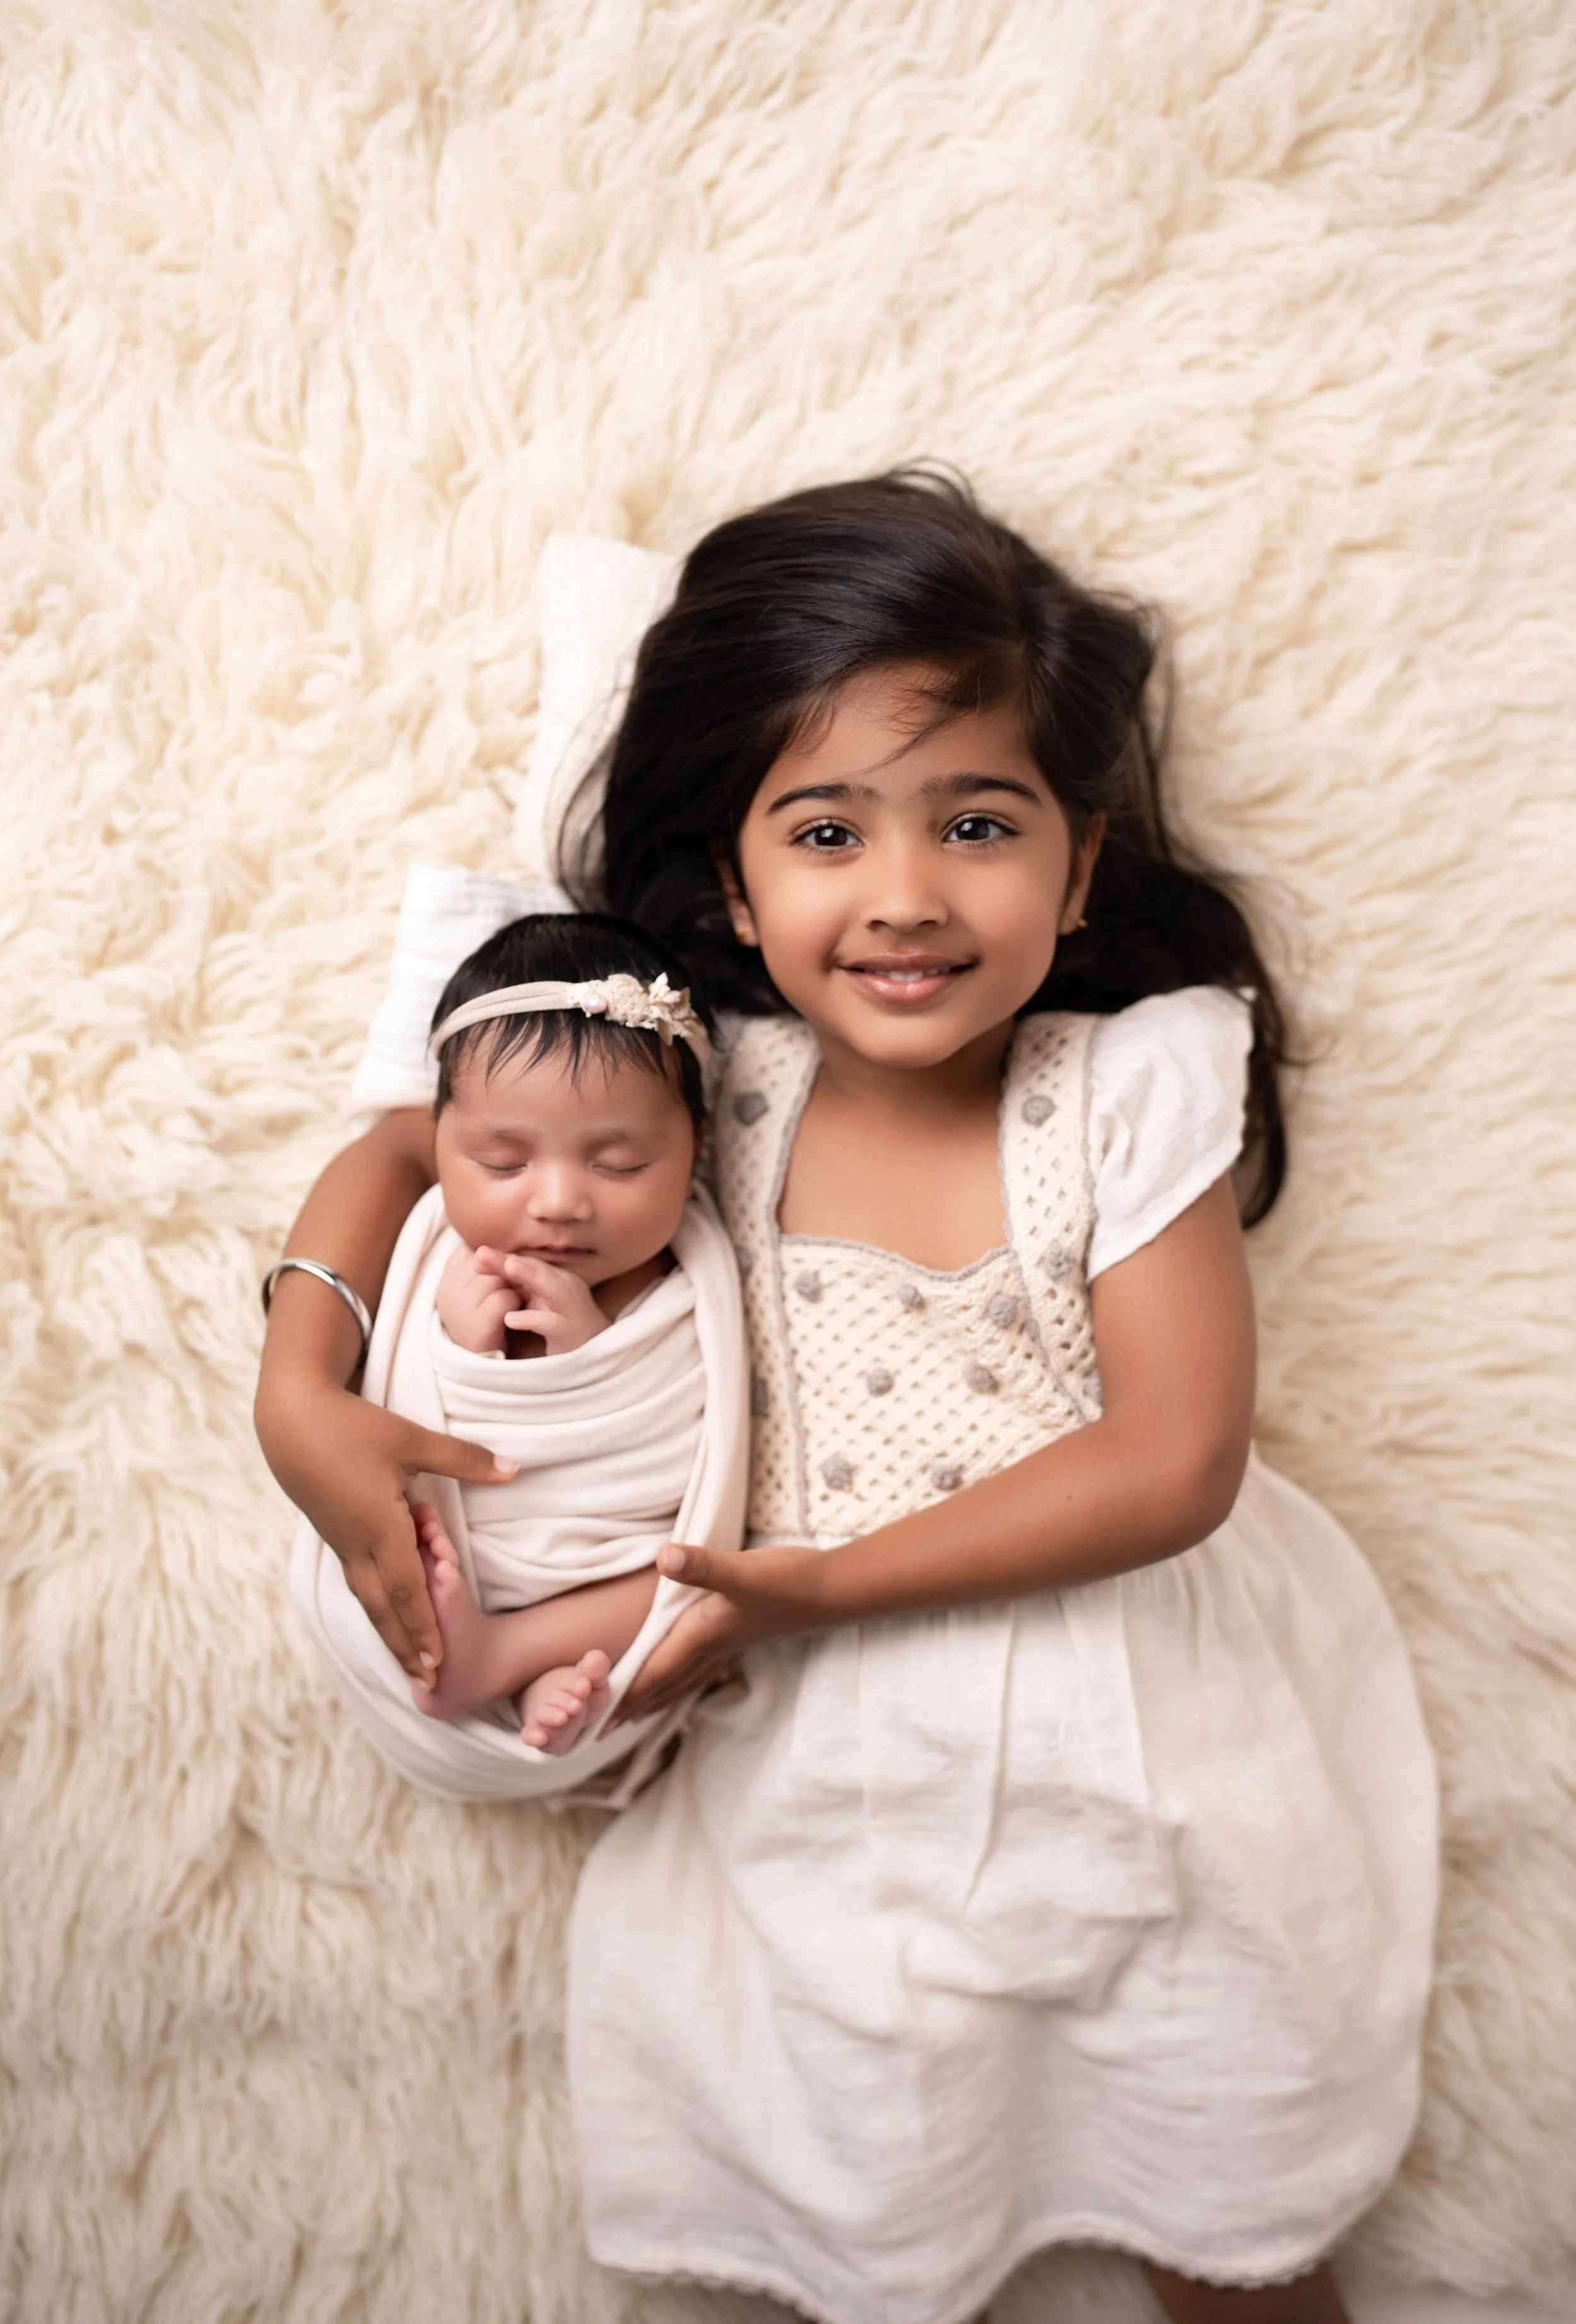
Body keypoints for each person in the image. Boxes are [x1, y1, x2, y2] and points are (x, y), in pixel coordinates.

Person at [255, 473, 1438, 2324]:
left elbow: (1174, 1454)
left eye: (975, 821)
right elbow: (408, 1140)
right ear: (733, 878)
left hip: (1141, 1730)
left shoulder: (1126, 1082)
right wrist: (295, 1384)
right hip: (827, 1756)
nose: (902, 896)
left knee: (1229, 2189)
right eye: (824, 830)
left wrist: (813, 1582)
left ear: (1078, 860)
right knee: (859, 2196)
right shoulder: (703, 1071)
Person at [282, 911, 748, 1798]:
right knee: (404, 1546)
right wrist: (458, 1342)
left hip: (613, 1568)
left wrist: (586, 1354)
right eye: (502, 1160)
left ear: (695, 1145)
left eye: (619, 1163)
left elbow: (694, 1445)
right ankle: (509, 1661)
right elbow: (402, 1399)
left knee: (692, 1578)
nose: (561, 1200)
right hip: (456, 1554)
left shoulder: (688, 1285)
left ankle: (514, 1658)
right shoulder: (430, 1253)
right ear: (440, 1140)